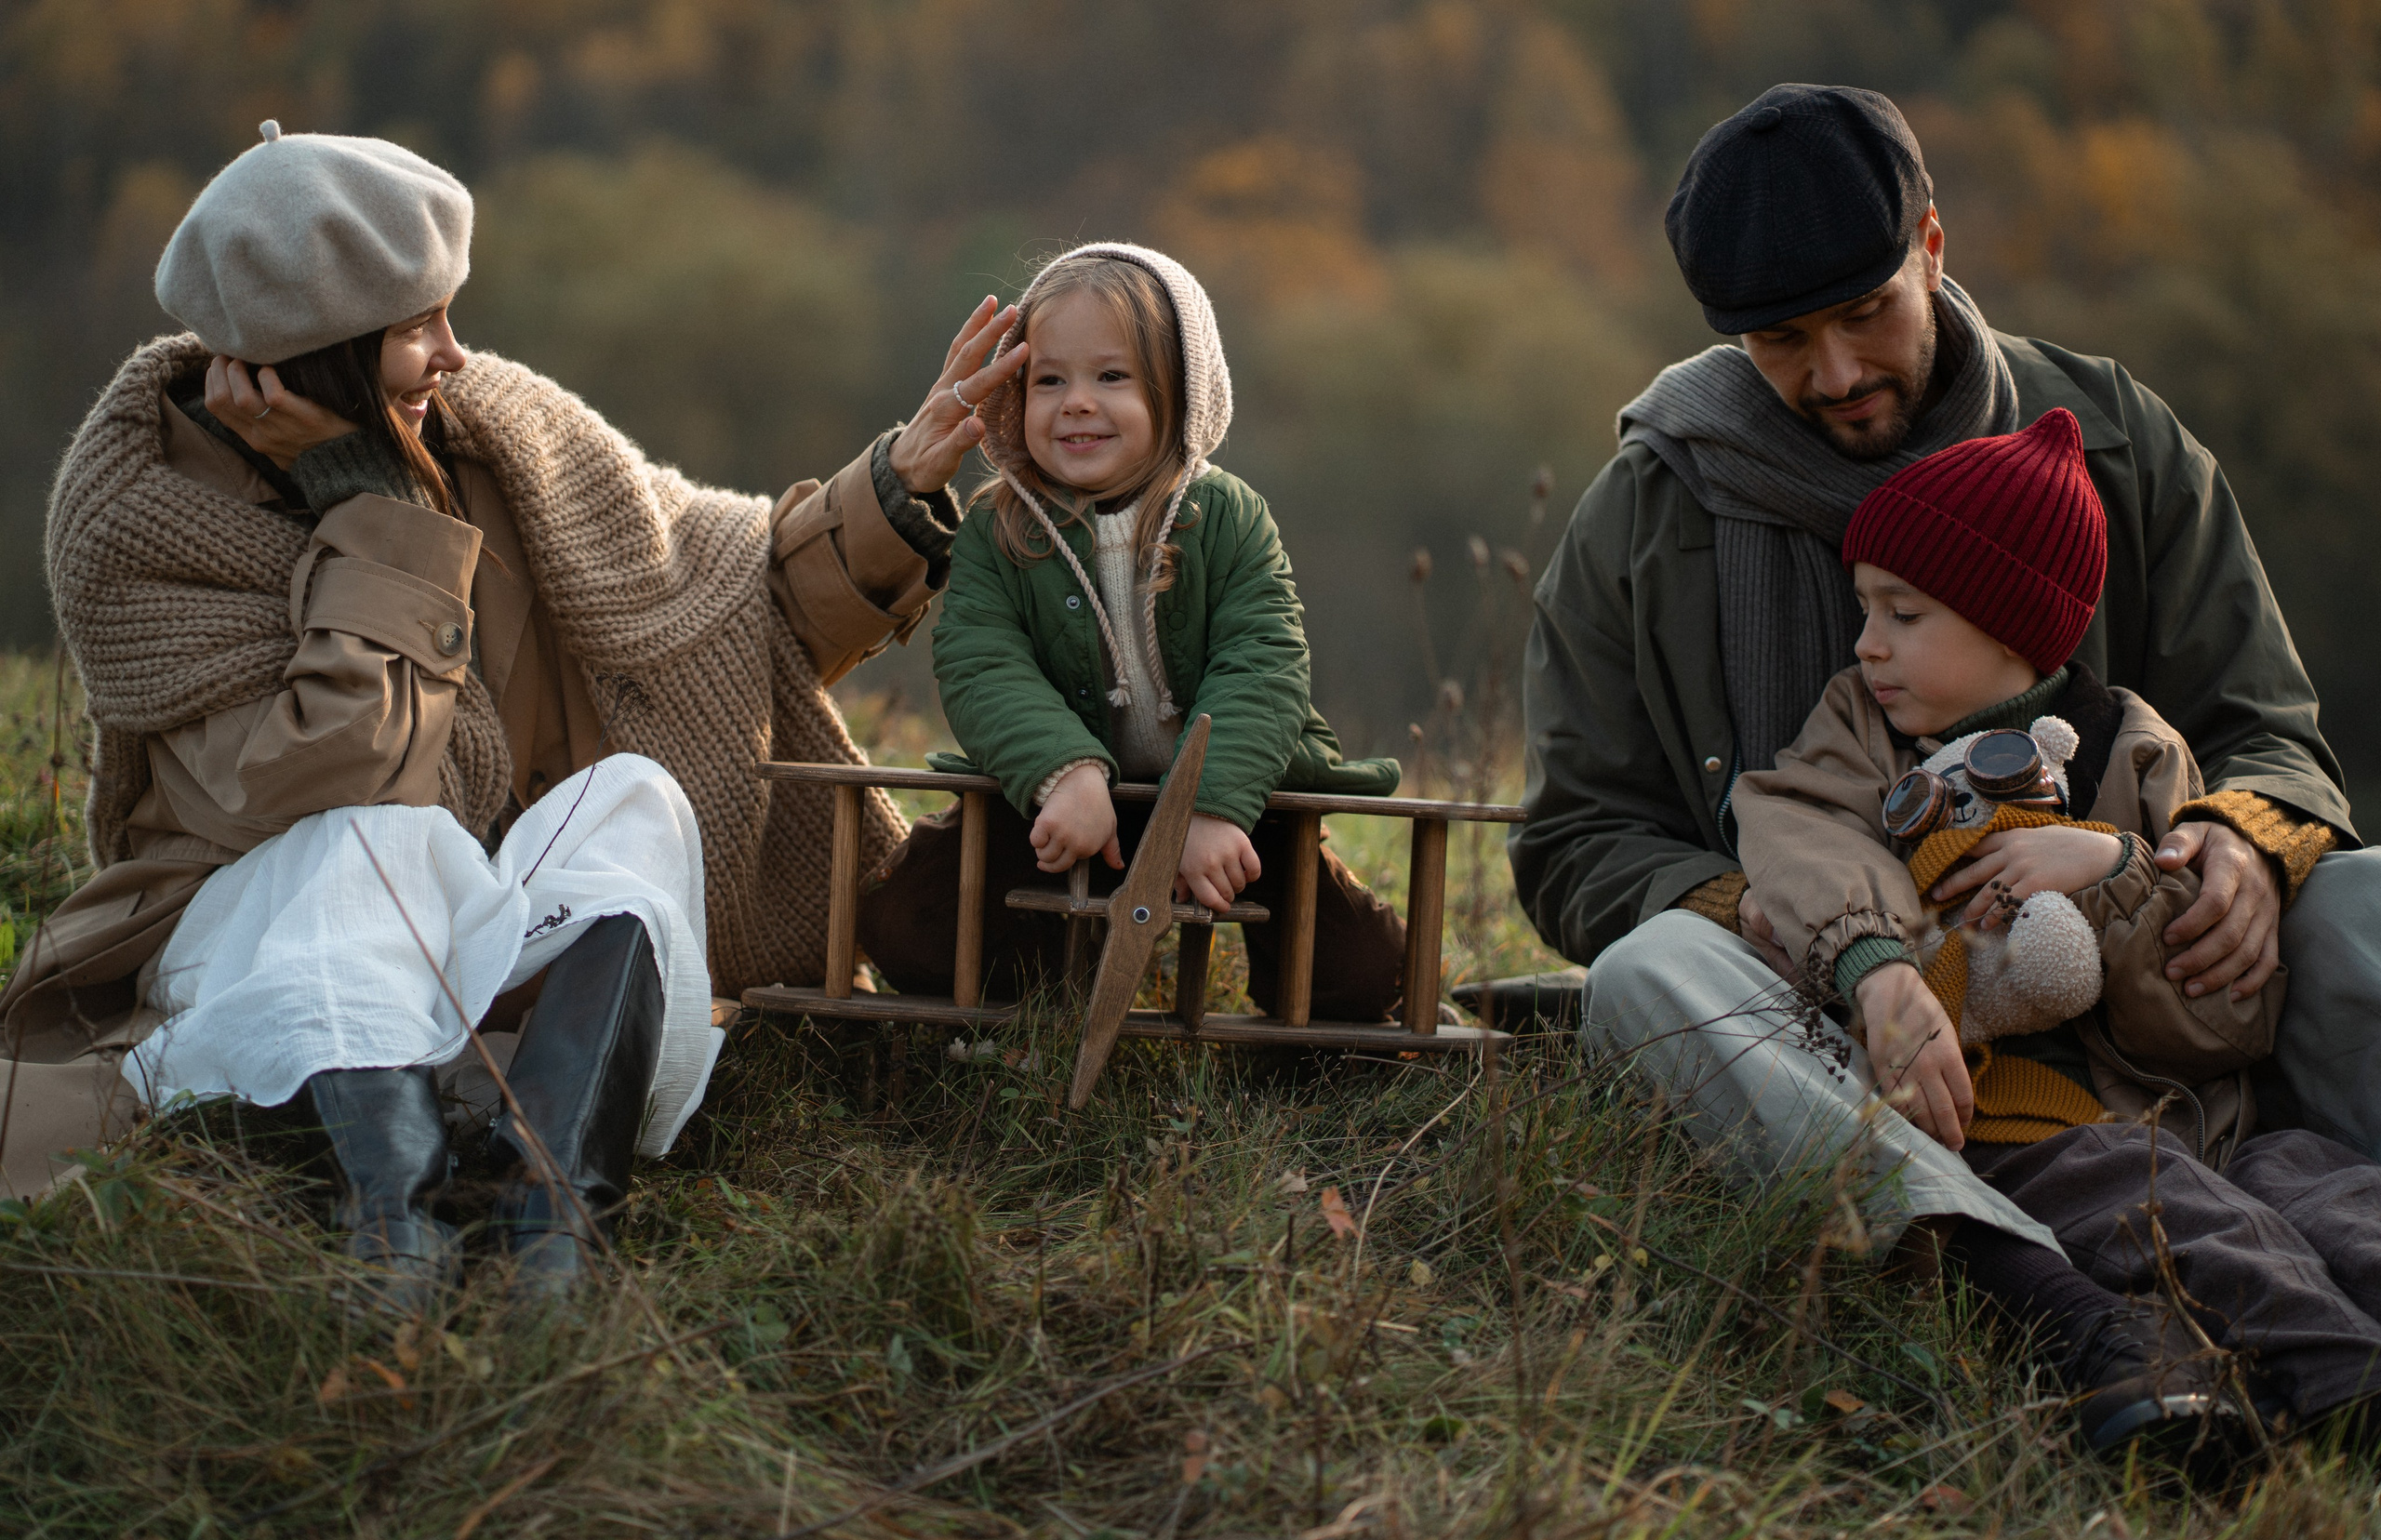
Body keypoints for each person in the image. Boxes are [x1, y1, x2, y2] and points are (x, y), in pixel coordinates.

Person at [0, 123, 1024, 1304]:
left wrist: (893, 490)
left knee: (637, 794)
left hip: (479, 920)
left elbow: (714, 593)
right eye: (416, 327)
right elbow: (338, 777)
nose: (454, 352)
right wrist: (377, 517)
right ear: (314, 356)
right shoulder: (141, 524)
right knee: (373, 843)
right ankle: (395, 1229)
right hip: (275, 932)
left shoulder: (493, 427)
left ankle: (552, 1214)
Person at [1510, 84, 2365, 1267]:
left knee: (2368, 903)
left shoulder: (2116, 440)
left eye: (1866, 313)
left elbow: (2267, 728)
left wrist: (2238, 846)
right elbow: (1575, 844)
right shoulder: (1641, 521)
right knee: (1648, 972)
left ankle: (2268, 1182)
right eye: (1781, 342)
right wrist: (1774, 918)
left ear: (1930, 246)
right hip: (1819, 1016)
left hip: (2141, 983)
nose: (1835, 371)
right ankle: (1971, 1249)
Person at [1735, 407, 2381, 1452]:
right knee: (2177, 1215)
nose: (1867, 643)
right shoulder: (1857, 731)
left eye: (1902, 614)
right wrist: (1876, 961)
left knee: (2325, 1185)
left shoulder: (2135, 751)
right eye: (1865, 609)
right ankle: (2342, 1387)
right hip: (2022, 1131)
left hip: (2196, 1113)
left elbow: (2223, 1019)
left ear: (2010, 629)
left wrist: (2116, 870)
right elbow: (1800, 831)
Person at [858, 244, 1408, 1018]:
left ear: (1177, 393)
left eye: (1110, 377)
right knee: (903, 924)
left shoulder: (1231, 516)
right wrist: (1062, 770)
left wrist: (1211, 805)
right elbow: (982, 662)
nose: (1076, 402)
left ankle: (1313, 1008)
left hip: (1237, 798)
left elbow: (1263, 663)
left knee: (1360, 974)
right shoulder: (999, 525)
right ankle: (1042, 979)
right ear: (1017, 395)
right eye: (1050, 380)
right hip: (1064, 802)